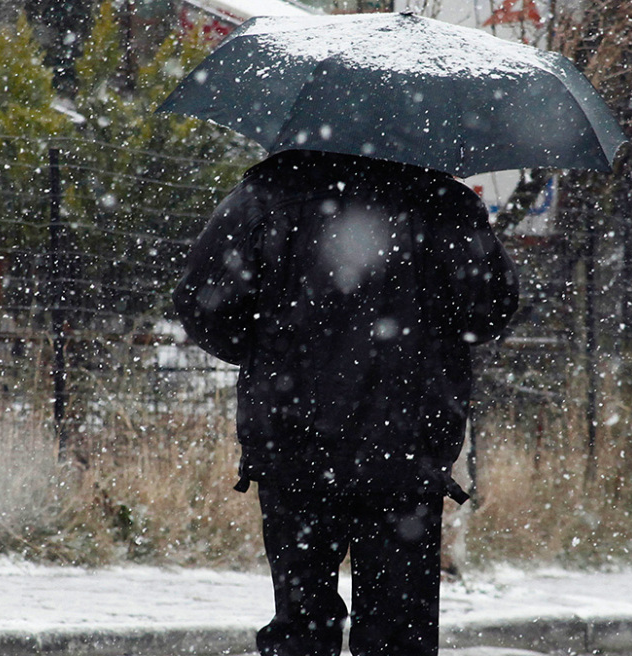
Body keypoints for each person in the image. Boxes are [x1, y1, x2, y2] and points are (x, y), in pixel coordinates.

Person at [173, 149, 519, 656]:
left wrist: (272, 356)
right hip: (406, 445)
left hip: (294, 438)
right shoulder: (444, 202)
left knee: (301, 625)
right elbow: (490, 312)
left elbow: (205, 304)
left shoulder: (269, 192)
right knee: (398, 632)